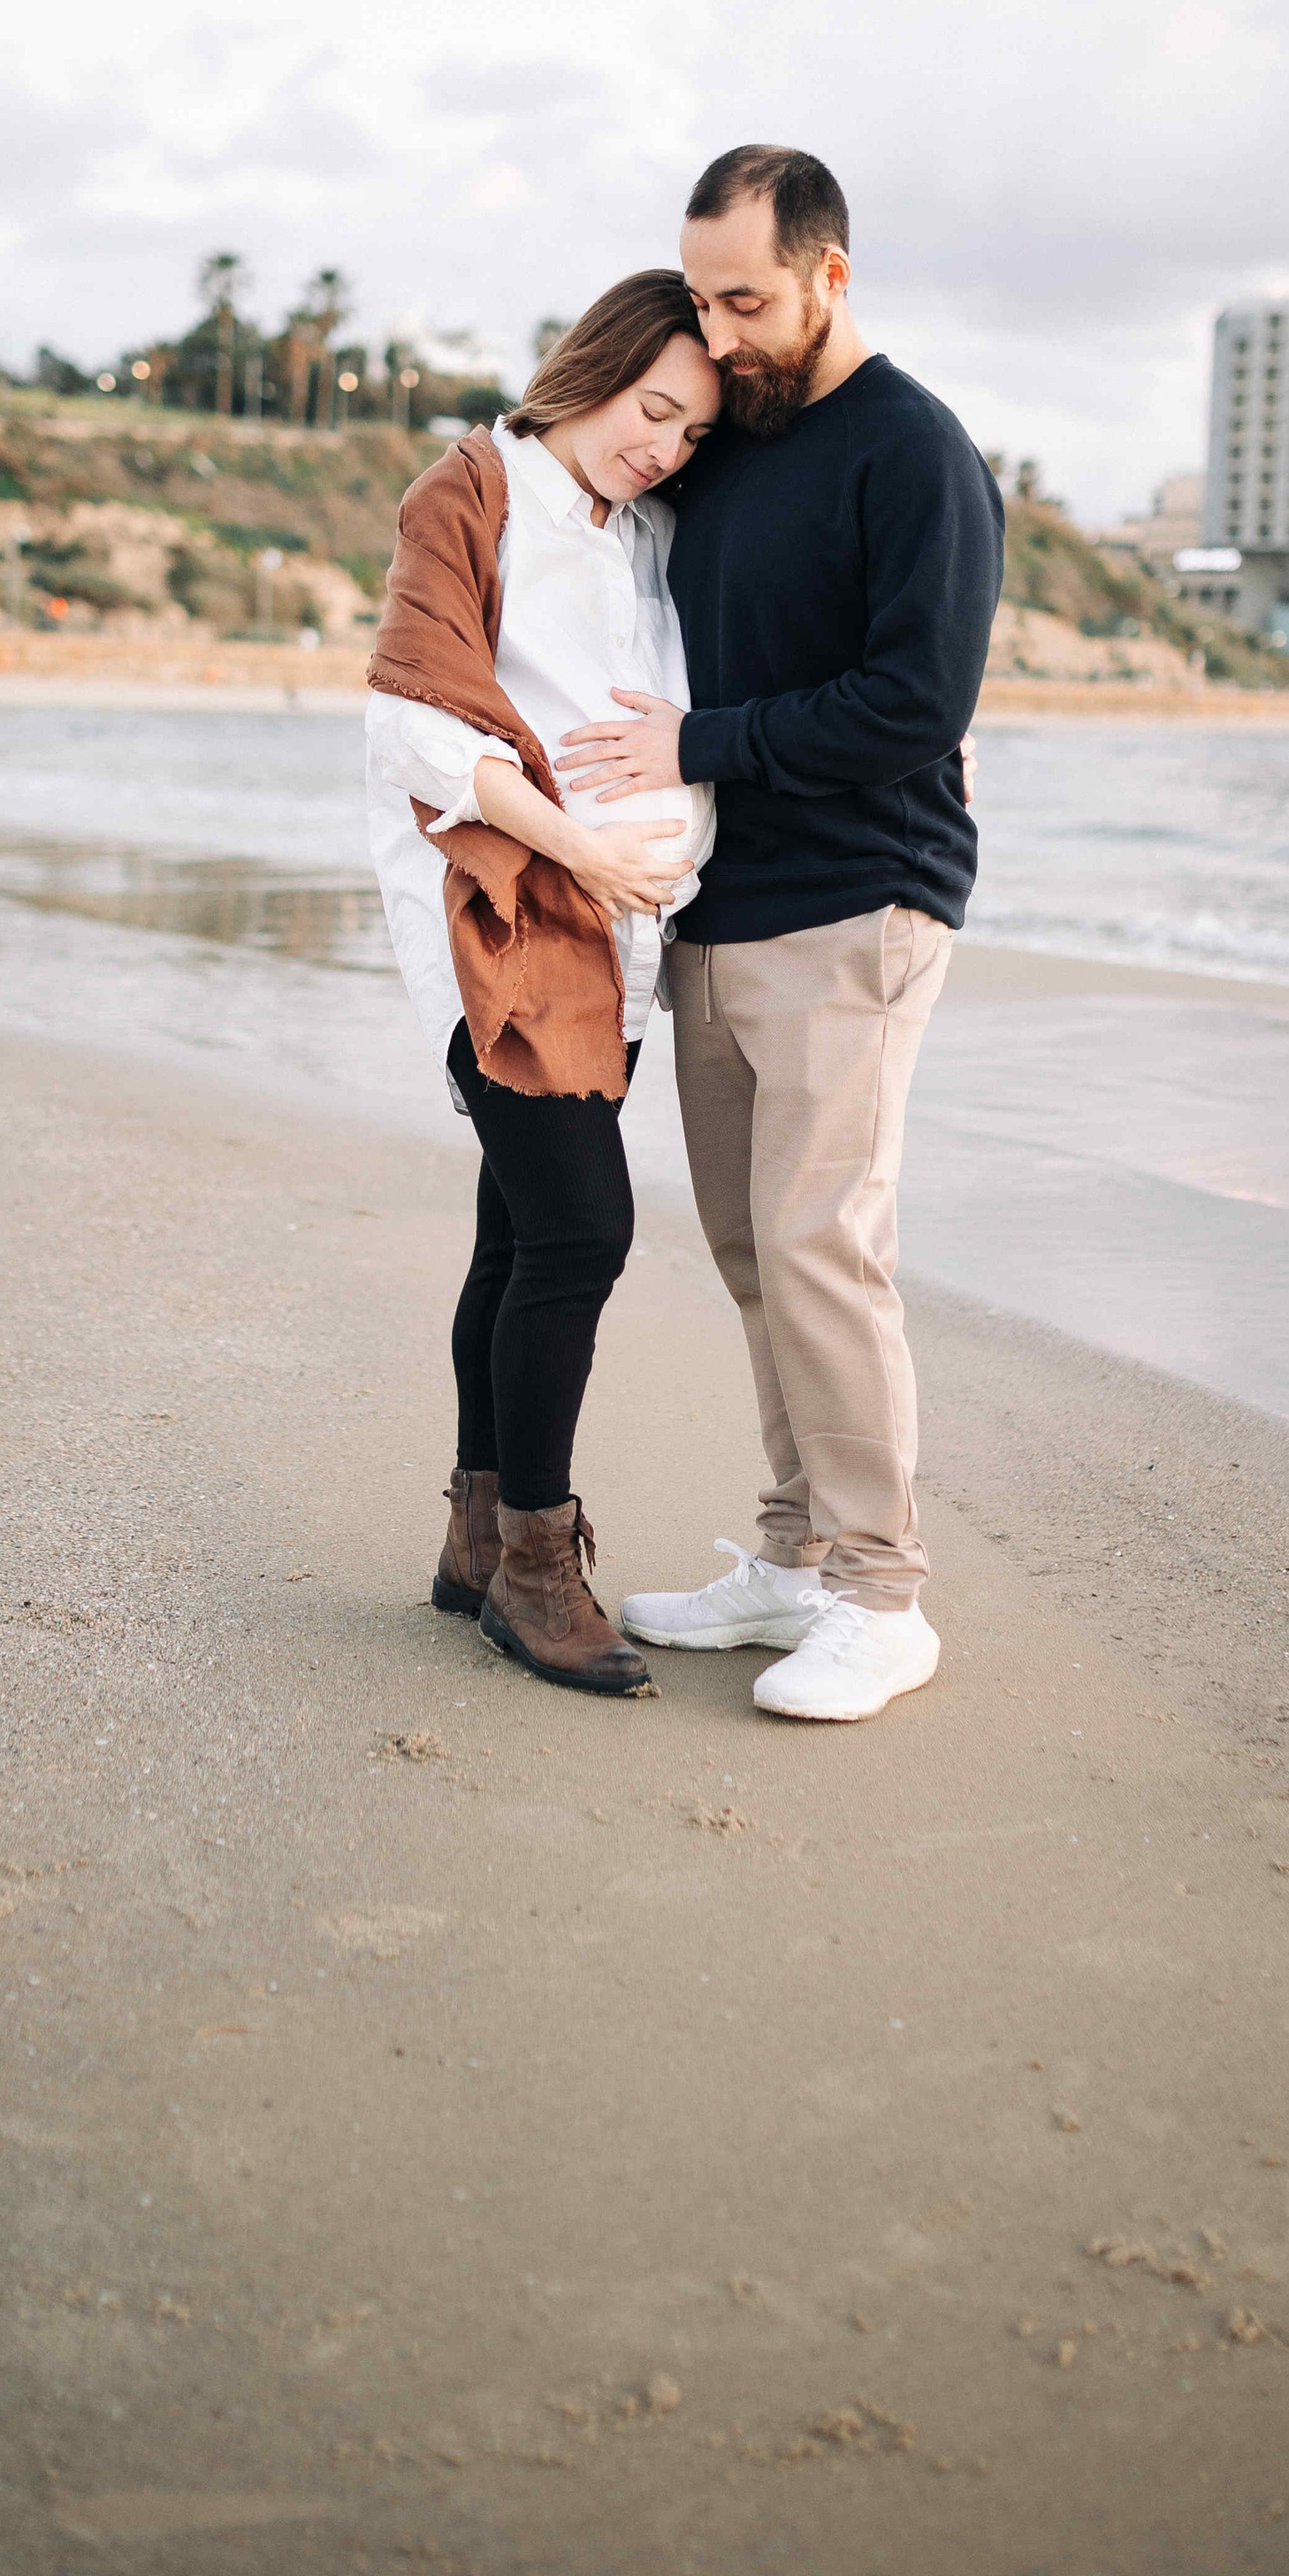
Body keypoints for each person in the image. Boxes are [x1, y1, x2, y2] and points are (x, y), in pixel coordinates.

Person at [558, 148, 1004, 1724]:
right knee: (757, 1256)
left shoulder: (916, 453)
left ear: (830, 275)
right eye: (702, 298)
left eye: (748, 299)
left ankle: (883, 1598)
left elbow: (915, 706)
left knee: (825, 1248)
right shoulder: (727, 441)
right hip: (721, 909)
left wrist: (698, 746)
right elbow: (586, 489)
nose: (723, 333)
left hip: (860, 905)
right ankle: (797, 1557)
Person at [364, 270, 721, 1696]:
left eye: (693, 430)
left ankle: (468, 1536)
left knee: (517, 1236)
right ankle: (533, 1559)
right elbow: (417, 721)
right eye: (653, 410)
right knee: (581, 1234)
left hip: (619, 941)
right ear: (596, 370)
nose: (663, 446)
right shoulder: (471, 490)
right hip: (503, 915)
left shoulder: (648, 534)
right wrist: (587, 852)